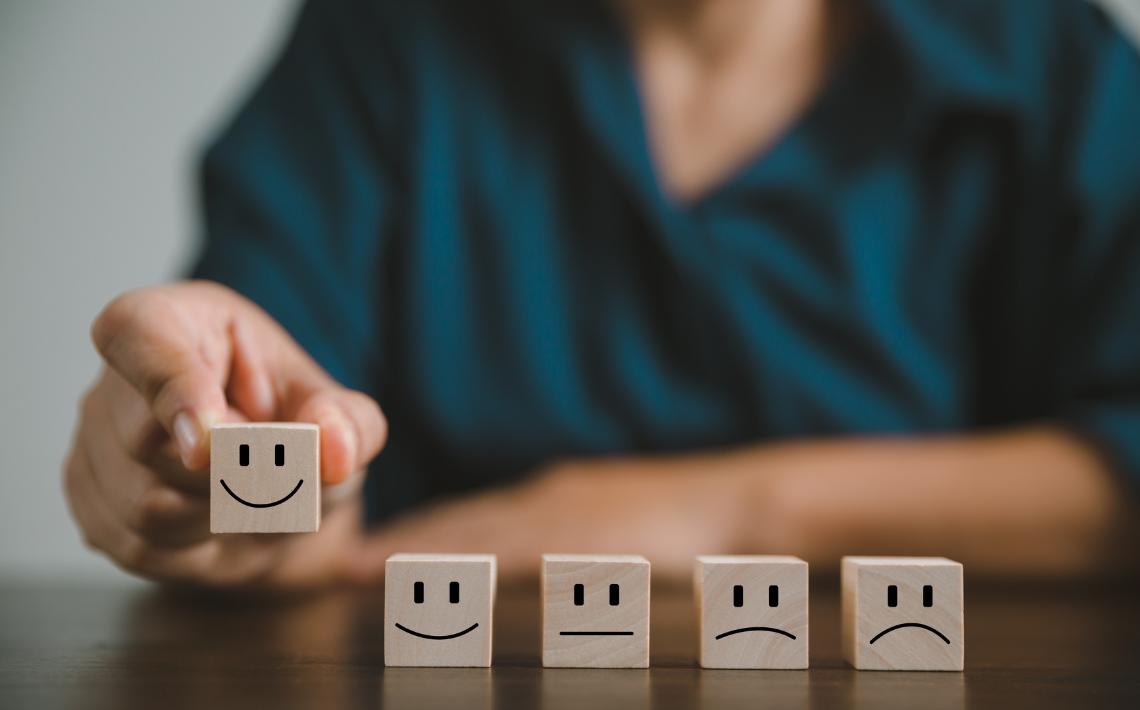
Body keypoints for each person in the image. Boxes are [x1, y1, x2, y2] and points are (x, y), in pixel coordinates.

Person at [65, 0, 1140, 588]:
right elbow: (292, 490)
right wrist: (216, 488)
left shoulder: (1055, 61)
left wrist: (733, 512)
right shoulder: (378, 39)